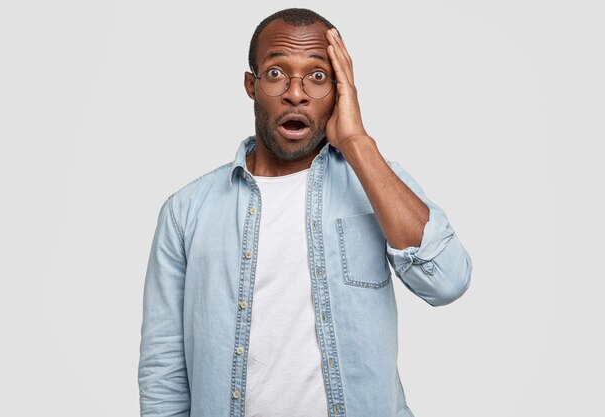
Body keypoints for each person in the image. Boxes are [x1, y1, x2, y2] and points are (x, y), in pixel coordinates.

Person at [138, 7, 472, 417]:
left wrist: (356, 141)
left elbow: (448, 281)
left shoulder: (373, 181)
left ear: (339, 89)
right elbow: (164, 371)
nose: (295, 93)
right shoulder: (186, 211)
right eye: (277, 73)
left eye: (317, 77)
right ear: (251, 85)